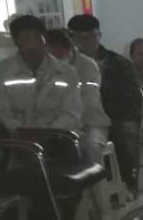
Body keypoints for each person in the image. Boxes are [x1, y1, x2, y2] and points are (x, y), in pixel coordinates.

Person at [69, 13, 143, 189]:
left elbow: (130, 100)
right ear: (71, 38)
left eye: (91, 36)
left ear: (99, 36)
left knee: (124, 130)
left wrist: (104, 116)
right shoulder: (63, 64)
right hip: (74, 117)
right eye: (80, 37)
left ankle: (125, 184)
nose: (86, 42)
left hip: (113, 116)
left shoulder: (119, 64)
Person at [0, 15, 81, 135]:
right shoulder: (0, 72)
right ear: (16, 42)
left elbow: (72, 112)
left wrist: (50, 132)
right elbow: (0, 113)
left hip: (58, 136)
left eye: (37, 39)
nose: (32, 45)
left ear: (45, 40)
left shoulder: (67, 72)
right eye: (26, 40)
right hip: (17, 138)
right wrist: (25, 133)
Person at [46, 28, 109, 165]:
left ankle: (94, 178)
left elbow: (89, 102)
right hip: (53, 124)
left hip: (89, 124)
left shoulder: (88, 66)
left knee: (89, 147)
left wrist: (64, 121)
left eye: (59, 50)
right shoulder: (44, 66)